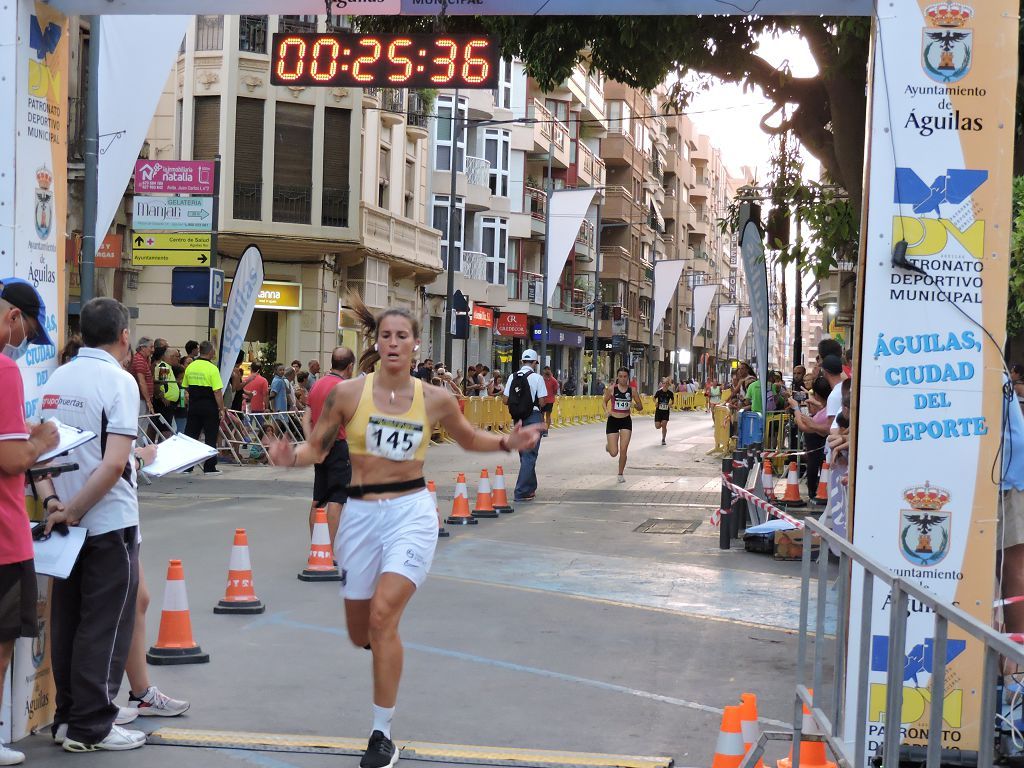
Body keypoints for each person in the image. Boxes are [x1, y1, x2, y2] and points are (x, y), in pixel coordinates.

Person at [268, 297, 541, 768]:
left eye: (403, 336)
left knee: (381, 616)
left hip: (411, 514)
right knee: (361, 633)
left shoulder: (434, 398)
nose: (393, 343)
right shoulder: (349, 394)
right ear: (377, 342)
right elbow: (316, 447)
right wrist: (289, 456)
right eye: (386, 336)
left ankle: (382, 734)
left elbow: (468, 437)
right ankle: (383, 644)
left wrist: (505, 442)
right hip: (359, 517)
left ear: (416, 344)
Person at [37, 297, 153, 753]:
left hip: (64, 520)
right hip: (106, 521)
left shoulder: (57, 378)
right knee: (105, 624)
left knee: (67, 621)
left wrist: (54, 505)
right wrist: (77, 509)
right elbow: (113, 465)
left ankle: (69, 719)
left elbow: (40, 455)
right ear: (124, 337)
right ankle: (93, 726)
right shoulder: (119, 381)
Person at [0, 278, 60, 765]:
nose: (23, 345)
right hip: (3, 536)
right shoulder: (3, 371)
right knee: (0, 644)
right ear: (13, 318)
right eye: (26, 332)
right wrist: (41, 440)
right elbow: (13, 458)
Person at [303, 347, 355, 546]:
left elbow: (305, 418)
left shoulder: (317, 384)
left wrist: (313, 444)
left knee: (319, 498)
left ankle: (316, 547)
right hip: (337, 447)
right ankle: (328, 549)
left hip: (319, 448)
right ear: (350, 366)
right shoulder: (345, 389)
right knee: (336, 499)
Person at [503, 350, 547, 502]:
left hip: (518, 419)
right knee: (530, 454)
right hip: (533, 417)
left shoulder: (512, 377)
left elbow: (505, 399)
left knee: (525, 454)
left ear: (522, 361)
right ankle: (521, 491)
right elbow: (542, 402)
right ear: (535, 363)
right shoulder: (537, 378)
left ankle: (530, 488)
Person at [182, 341, 226, 475]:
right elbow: (217, 392)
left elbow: (186, 387)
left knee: (191, 436)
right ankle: (209, 467)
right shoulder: (212, 369)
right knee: (210, 437)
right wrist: (222, 408)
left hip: (194, 406)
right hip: (209, 406)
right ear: (211, 352)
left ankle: (187, 467)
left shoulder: (191, 366)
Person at [791, 376, 832, 498]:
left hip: (818, 444)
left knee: (813, 463)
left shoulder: (825, 413)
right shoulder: (829, 406)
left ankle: (813, 492)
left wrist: (795, 407)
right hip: (822, 445)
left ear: (818, 394)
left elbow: (804, 427)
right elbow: (823, 409)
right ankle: (815, 491)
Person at [604, 367, 643, 483]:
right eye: (620, 376)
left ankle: (620, 474)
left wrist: (634, 406)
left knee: (624, 449)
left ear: (628, 378)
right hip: (613, 420)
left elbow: (641, 407)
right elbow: (604, 401)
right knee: (614, 453)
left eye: (625, 376)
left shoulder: (633, 390)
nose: (622, 379)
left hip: (626, 420)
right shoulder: (611, 389)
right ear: (617, 377)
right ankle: (609, 446)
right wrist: (606, 410)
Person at [152, 344, 179, 434]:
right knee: (165, 429)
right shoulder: (163, 366)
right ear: (171, 357)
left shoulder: (167, 367)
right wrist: (162, 397)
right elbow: (159, 384)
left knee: (167, 429)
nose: (178, 359)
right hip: (165, 404)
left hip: (168, 403)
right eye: (177, 356)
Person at [130, 337, 154, 415]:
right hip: (141, 400)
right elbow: (142, 381)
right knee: (141, 425)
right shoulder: (140, 360)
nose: (153, 350)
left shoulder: (144, 359)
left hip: (142, 399)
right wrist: (148, 401)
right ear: (143, 348)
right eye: (151, 347)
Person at [653, 378, 674, 445]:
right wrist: (655, 402)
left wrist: (670, 404)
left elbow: (673, 401)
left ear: (668, 385)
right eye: (664, 383)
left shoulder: (670, 393)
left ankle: (663, 439)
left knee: (664, 425)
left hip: (665, 411)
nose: (665, 385)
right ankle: (662, 426)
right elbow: (654, 398)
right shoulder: (659, 392)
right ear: (662, 384)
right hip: (658, 411)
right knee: (657, 426)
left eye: (666, 384)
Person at [171, 364, 188, 434]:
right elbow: (182, 402)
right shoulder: (180, 387)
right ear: (180, 374)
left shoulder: (171, 384)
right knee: (180, 432)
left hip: (174, 411)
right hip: (181, 413)